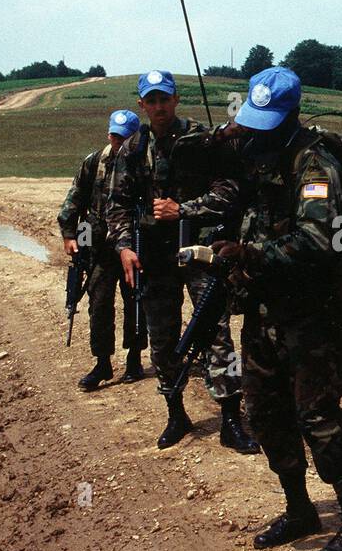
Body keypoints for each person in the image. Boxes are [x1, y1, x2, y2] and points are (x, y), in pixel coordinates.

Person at [210, 67, 342, 551]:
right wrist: (227, 135)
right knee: (266, 415)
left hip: (309, 317)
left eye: (266, 122)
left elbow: (318, 240)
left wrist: (252, 253)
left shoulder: (315, 165)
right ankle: (299, 510)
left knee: (318, 419)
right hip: (262, 313)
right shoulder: (261, 152)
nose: (258, 131)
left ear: (292, 116)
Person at [106, 70, 258, 455]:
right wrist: (125, 246)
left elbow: (229, 190)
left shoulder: (200, 139)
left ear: (176, 100)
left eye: (164, 99)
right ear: (141, 105)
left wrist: (184, 210)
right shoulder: (133, 148)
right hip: (154, 258)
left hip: (200, 252)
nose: (158, 106)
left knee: (216, 333)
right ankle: (176, 414)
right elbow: (117, 205)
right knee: (161, 338)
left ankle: (230, 421)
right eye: (151, 100)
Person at [58, 109, 147, 389]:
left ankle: (134, 358)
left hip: (132, 243)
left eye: (124, 137)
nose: (118, 141)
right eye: (114, 135)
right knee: (99, 304)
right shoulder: (93, 162)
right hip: (98, 246)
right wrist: (70, 234)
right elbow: (74, 200)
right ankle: (102, 363)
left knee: (135, 302)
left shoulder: (143, 165)